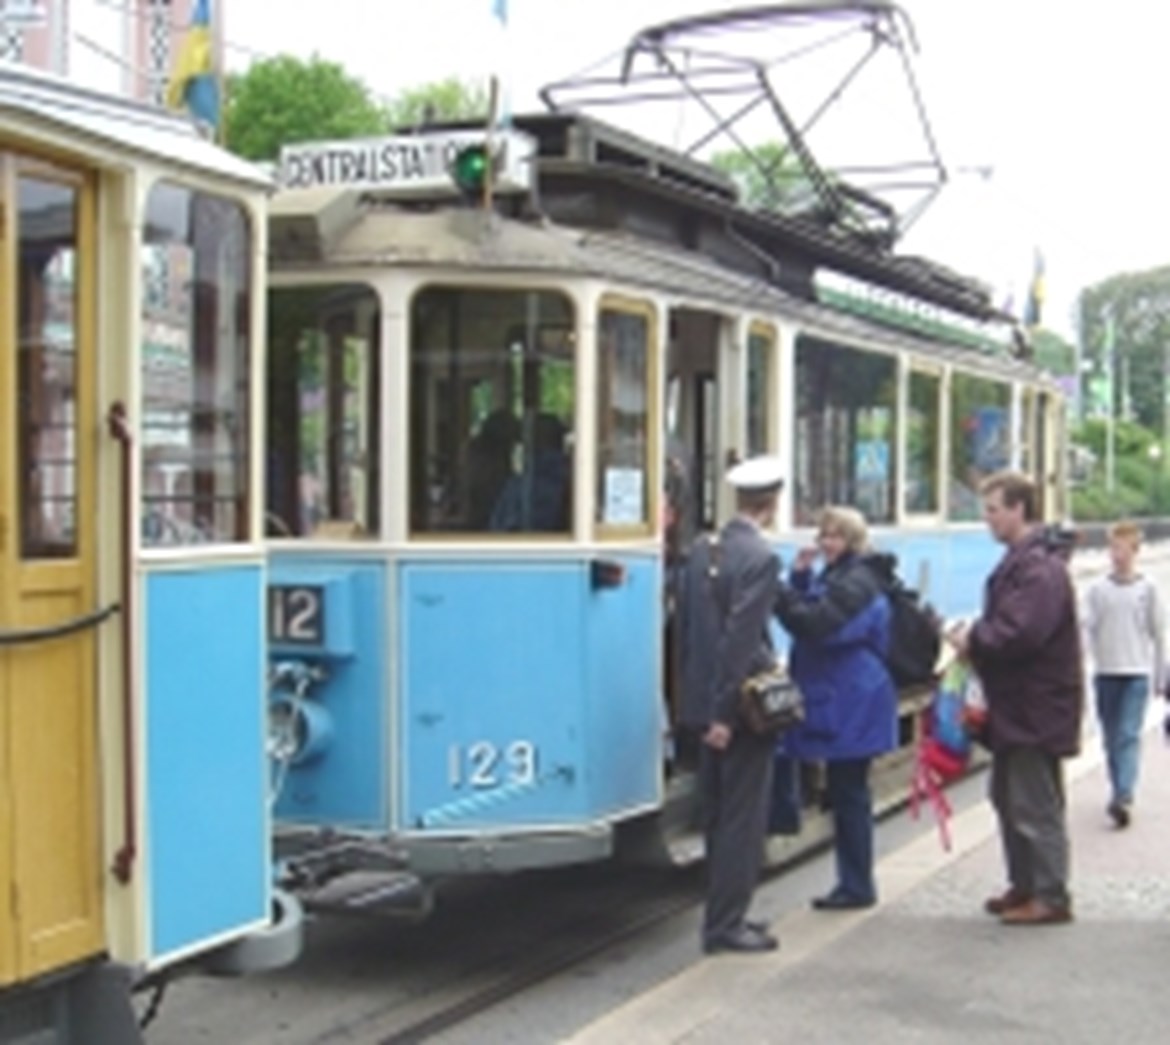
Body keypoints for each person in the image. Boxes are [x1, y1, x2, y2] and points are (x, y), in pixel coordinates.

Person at [949, 470, 1082, 926]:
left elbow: (1021, 633)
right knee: (1008, 796)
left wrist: (975, 638)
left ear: (1018, 510)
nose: (987, 520)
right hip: (1021, 707)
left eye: (992, 510)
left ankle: (1049, 894)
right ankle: (1026, 884)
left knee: (1032, 802)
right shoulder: (1031, 562)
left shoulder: (1039, 568)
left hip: (1032, 708)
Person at [677, 455, 785, 955]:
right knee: (743, 816)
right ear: (773, 501)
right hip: (738, 711)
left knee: (718, 813)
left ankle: (723, 915)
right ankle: (726, 925)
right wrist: (725, 714)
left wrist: (699, 706)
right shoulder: (760, 559)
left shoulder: (704, 548)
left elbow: (692, 634)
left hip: (701, 702)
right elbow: (740, 641)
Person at [774, 506, 898, 911]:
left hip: (852, 700)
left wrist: (782, 594)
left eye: (836, 536)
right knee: (847, 792)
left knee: (849, 794)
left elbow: (820, 626)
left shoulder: (856, 583)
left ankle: (857, 885)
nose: (827, 543)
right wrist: (800, 579)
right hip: (847, 696)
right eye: (823, 535)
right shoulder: (846, 576)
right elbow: (816, 610)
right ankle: (853, 881)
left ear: (853, 540)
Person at [1082, 519, 1165, 828]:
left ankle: (1124, 795)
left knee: (1128, 735)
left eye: (1123, 548)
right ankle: (1118, 787)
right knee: (1110, 736)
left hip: (1136, 673)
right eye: (1113, 547)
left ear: (1135, 550)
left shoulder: (1148, 589)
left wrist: (1161, 676)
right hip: (1106, 672)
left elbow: (1158, 634)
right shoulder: (1098, 590)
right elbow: (1087, 629)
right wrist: (1083, 663)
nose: (1117, 554)